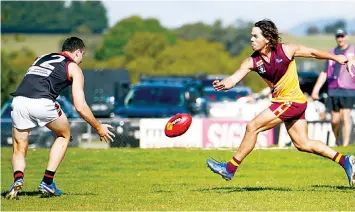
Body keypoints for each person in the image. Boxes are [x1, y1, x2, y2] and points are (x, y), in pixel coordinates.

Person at [206, 19, 355, 187]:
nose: (251, 39)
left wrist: (336, 58)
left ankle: (230, 168)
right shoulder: (252, 61)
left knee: (252, 127)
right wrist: (223, 84)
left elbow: (313, 53)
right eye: (251, 36)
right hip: (290, 103)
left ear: (267, 38)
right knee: (303, 144)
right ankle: (345, 161)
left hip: (290, 102)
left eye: (255, 36)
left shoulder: (286, 49)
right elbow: (234, 78)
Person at [5, 37, 115, 199]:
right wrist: (98, 127)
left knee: (19, 146)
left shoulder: (42, 57)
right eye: (82, 55)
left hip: (19, 100)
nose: (82, 60)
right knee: (64, 135)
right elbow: (80, 106)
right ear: (77, 52)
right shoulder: (73, 67)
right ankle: (47, 182)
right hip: (43, 101)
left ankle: (18, 179)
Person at [311, 28, 355, 146]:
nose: (340, 38)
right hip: (333, 88)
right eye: (338, 36)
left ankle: (345, 144)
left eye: (342, 36)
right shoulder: (331, 52)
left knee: (345, 116)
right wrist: (316, 89)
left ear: (346, 36)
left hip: (348, 88)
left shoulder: (353, 51)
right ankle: (338, 140)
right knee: (334, 120)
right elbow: (325, 72)